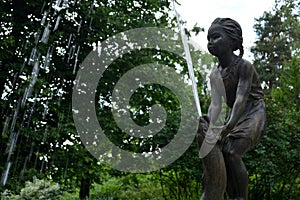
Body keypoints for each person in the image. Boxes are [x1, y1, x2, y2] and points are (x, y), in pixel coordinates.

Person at [198, 18, 266, 200]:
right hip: (234, 117)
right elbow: (216, 105)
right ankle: (227, 194)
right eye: (209, 38)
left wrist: (226, 128)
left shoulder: (244, 66)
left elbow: (241, 99)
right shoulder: (215, 74)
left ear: (232, 41)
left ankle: (241, 197)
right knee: (221, 155)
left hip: (252, 113)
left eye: (216, 37)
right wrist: (211, 125)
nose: (210, 42)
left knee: (232, 152)